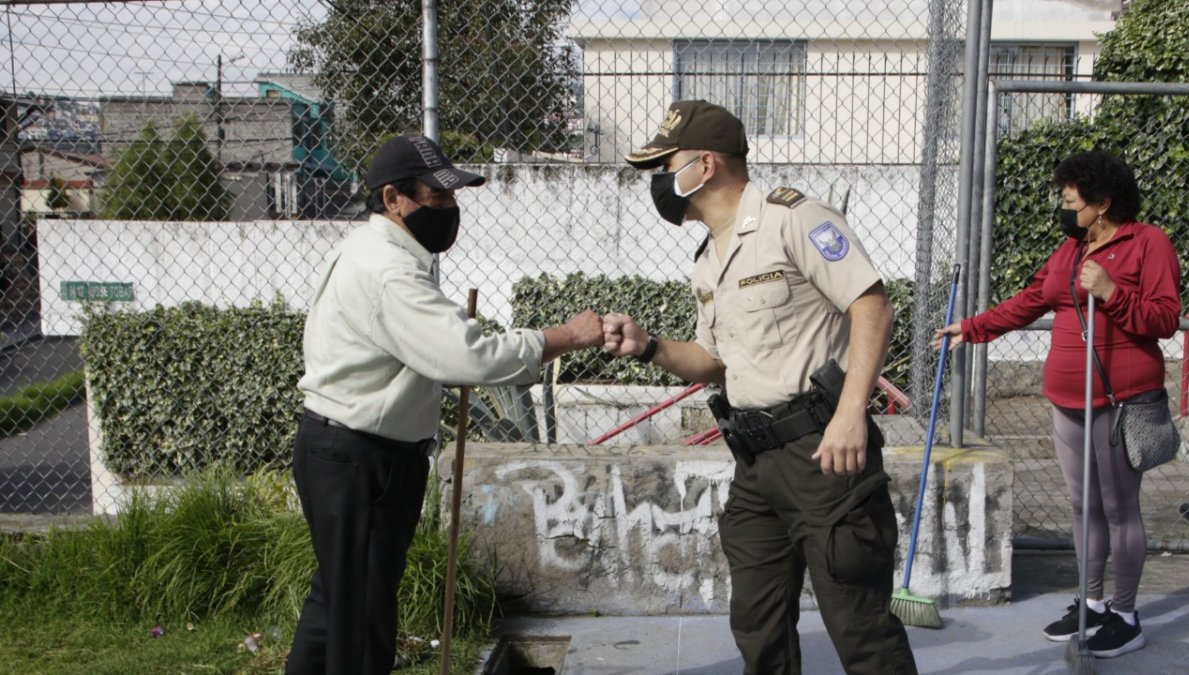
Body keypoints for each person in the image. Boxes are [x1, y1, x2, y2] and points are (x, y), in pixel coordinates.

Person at [603, 100, 917, 675]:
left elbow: (873, 306)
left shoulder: (792, 218)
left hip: (823, 454)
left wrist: (852, 412)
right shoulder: (707, 259)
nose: (658, 182)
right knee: (757, 620)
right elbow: (713, 361)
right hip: (755, 462)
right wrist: (648, 346)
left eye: (664, 165)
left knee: (859, 626)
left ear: (705, 164)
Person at [286, 134, 604, 675]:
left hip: (344, 450)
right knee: (360, 623)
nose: (451, 209)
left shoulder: (371, 252)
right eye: (437, 198)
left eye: (453, 198)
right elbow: (469, 357)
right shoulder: (387, 270)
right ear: (393, 199)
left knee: (337, 605)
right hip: (362, 460)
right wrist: (566, 336)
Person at [936, 149, 1181, 659]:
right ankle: (1091, 602)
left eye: (1071, 200)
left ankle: (1127, 614)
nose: (1064, 208)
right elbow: (1032, 300)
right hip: (1066, 401)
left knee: (1117, 508)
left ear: (1102, 202)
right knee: (1081, 505)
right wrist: (973, 328)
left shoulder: (1147, 243)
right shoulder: (1071, 249)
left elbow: (1164, 319)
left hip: (1119, 401)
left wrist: (1112, 291)